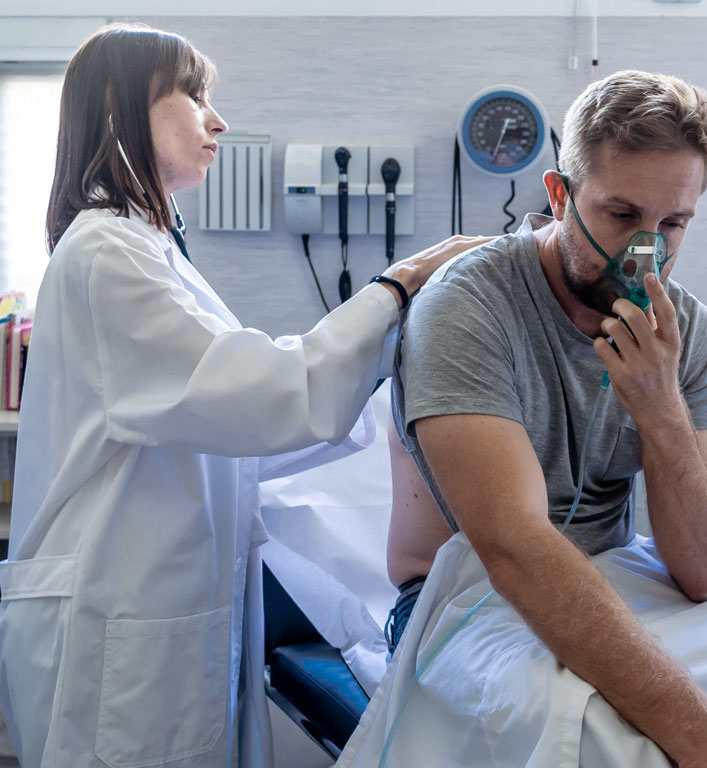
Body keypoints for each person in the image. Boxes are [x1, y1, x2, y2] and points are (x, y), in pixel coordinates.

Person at [0, 23, 489, 768]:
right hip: (118, 613)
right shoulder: (106, 251)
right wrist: (398, 286)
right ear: (117, 109)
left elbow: (236, 430)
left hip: (162, 609)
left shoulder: (150, 246)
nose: (218, 120)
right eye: (194, 96)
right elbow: (257, 392)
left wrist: (379, 380)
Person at [338, 71, 707, 767]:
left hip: (622, 578)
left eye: (673, 224)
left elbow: (706, 571)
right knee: (597, 727)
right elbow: (514, 547)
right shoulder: (469, 308)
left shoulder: (688, 332)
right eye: (622, 215)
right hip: (462, 595)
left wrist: (660, 411)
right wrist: (703, 737)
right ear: (560, 195)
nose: (645, 251)